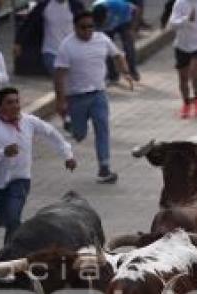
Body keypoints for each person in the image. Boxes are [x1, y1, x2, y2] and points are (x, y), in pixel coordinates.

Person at [0, 87, 76, 243]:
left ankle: (10, 251)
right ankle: (11, 225)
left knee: (13, 218)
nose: (15, 106)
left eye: (17, 102)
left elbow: (51, 133)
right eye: (9, 103)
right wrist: (3, 153)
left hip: (20, 179)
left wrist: (68, 155)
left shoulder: (29, 121)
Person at [54, 11, 132, 184]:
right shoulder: (67, 46)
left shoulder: (102, 39)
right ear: (75, 27)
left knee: (102, 128)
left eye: (91, 26)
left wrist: (125, 72)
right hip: (76, 97)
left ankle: (104, 168)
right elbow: (59, 75)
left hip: (98, 94)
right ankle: (71, 127)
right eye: (83, 27)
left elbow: (118, 55)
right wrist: (60, 100)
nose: (88, 30)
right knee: (80, 134)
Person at [14, 0, 85, 73]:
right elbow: (29, 23)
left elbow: (85, 26)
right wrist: (18, 42)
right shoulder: (44, 6)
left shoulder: (76, 6)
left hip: (72, 51)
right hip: (51, 52)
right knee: (60, 72)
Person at [92, 0, 141, 82]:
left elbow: (136, 10)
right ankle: (112, 75)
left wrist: (133, 28)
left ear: (108, 13)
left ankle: (132, 71)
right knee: (106, 48)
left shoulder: (118, 5)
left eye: (104, 20)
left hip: (123, 22)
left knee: (128, 45)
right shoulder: (94, 10)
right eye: (101, 22)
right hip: (109, 27)